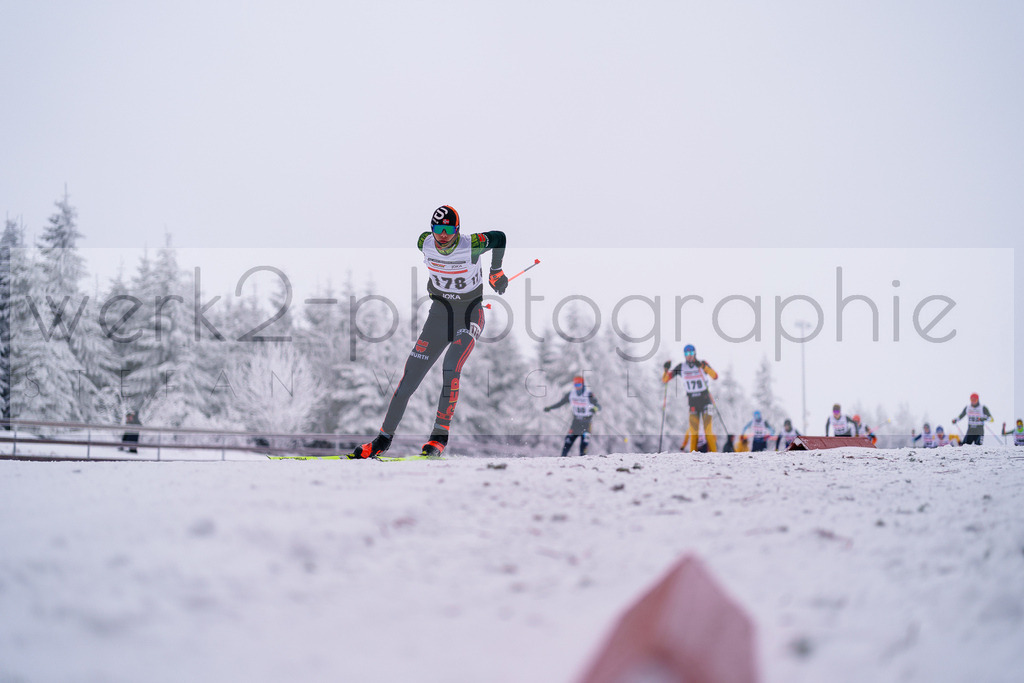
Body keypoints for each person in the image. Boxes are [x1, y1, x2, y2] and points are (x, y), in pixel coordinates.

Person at [351, 205, 507, 459]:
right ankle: (383, 439)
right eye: (437, 229)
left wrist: (496, 271)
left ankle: (439, 436)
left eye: (447, 230)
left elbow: (499, 237)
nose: (442, 235)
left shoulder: (473, 244)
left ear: (457, 230)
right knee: (410, 376)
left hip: (469, 315)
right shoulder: (424, 242)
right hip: (439, 315)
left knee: (450, 365)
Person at [663, 344, 719, 452]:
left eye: (691, 353)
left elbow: (715, 376)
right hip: (693, 403)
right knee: (694, 432)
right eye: (687, 354)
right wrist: (666, 369)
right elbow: (665, 380)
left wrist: (703, 367)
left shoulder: (702, 363)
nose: (689, 356)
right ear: (684, 355)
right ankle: (693, 456)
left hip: (706, 401)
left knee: (708, 430)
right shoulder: (681, 367)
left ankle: (714, 454)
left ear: (695, 353)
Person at [545, 375, 601, 457]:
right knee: (568, 441)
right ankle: (562, 458)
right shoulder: (571, 394)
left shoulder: (588, 394)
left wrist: (594, 409)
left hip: (587, 422)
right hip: (576, 422)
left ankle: (583, 460)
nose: (577, 387)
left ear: (582, 384)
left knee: (584, 442)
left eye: (579, 385)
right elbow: (561, 403)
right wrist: (550, 408)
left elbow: (599, 406)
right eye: (575, 385)